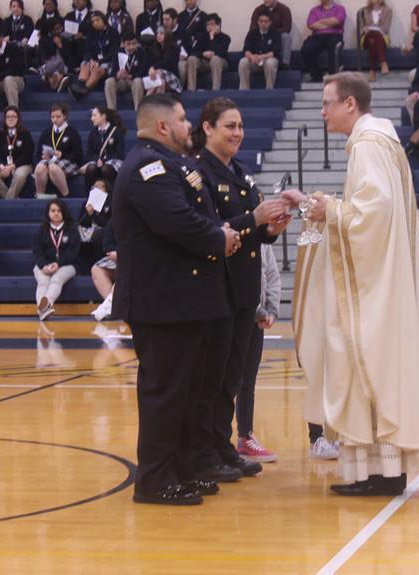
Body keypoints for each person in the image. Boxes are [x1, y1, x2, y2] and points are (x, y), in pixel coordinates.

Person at [282, 72, 419, 497]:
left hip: (373, 283)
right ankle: (383, 471)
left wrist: (326, 209)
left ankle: (380, 473)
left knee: (361, 362)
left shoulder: (369, 143)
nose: (322, 112)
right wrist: (318, 204)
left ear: (350, 105)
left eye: (327, 103)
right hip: (382, 275)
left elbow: (373, 214)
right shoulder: (381, 139)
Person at [112, 93, 241, 506]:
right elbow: (177, 221)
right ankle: (153, 479)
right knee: (165, 394)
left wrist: (220, 229)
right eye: (184, 120)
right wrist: (219, 237)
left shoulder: (173, 164)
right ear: (163, 126)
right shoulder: (147, 168)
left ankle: (182, 469)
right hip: (161, 302)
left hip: (182, 301)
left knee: (187, 393)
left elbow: (195, 215)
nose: (190, 126)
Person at [192, 97, 289, 483]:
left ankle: (224, 447)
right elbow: (208, 228)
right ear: (208, 128)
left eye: (240, 126)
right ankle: (206, 452)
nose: (237, 133)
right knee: (212, 380)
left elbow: (253, 232)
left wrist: (271, 228)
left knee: (231, 379)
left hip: (244, 293)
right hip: (217, 292)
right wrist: (255, 219)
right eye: (229, 126)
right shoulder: (199, 174)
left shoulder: (241, 173)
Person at [235, 242, 281, 463]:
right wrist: (258, 311)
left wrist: (272, 309)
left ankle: (245, 437)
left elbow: (271, 273)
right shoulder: (238, 229)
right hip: (236, 316)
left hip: (256, 321)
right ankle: (216, 441)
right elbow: (237, 277)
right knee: (228, 382)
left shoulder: (262, 239)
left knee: (247, 382)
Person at [32, 198, 80, 321]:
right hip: (44, 265)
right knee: (43, 281)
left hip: (67, 265)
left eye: (59, 210)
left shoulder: (72, 229)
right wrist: (43, 266)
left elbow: (73, 253)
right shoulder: (42, 229)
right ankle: (43, 309)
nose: (56, 213)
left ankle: (45, 305)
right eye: (53, 210)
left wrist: (58, 264)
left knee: (56, 279)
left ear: (64, 212)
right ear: (48, 213)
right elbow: (37, 252)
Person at [34, 103, 83, 198]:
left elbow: (78, 156)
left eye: (58, 116)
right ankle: (40, 196)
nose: (55, 120)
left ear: (65, 116)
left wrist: (62, 155)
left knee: (53, 167)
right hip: (49, 161)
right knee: (40, 168)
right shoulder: (46, 132)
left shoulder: (72, 132)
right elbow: (38, 154)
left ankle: (66, 195)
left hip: (68, 162)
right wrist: (43, 156)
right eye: (52, 117)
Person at [68, 10, 120, 100]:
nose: (95, 23)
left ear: (104, 20)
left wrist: (99, 62)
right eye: (93, 22)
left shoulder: (113, 33)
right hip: (94, 60)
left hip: (108, 61)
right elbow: (88, 50)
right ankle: (80, 84)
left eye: (97, 20)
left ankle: (83, 90)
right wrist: (91, 59)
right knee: (85, 64)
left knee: (97, 70)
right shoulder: (91, 33)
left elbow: (114, 53)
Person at [0, 106, 34, 199]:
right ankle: (11, 199)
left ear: (18, 118)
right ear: (4, 119)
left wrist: (13, 166)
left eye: (13, 116)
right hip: (4, 164)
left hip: (22, 164)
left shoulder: (25, 134)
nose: (10, 119)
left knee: (19, 176)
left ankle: (8, 201)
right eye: (8, 117)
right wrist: (1, 166)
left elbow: (27, 155)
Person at [301, 0, 345, 83]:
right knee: (306, 49)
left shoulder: (340, 9)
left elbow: (337, 21)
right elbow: (311, 24)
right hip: (317, 36)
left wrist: (320, 22)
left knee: (334, 46)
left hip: (334, 35)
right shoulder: (314, 10)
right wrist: (329, 23)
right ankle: (316, 76)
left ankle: (333, 77)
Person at [82, 106, 124, 191]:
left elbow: (119, 152)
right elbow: (90, 152)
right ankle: (89, 196)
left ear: (103, 116)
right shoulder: (93, 132)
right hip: (97, 161)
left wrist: (104, 161)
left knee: (106, 169)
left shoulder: (116, 131)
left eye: (94, 115)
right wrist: (97, 159)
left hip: (112, 160)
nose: (91, 118)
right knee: (91, 168)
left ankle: (111, 195)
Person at [185, 12, 229, 92]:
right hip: (205, 62)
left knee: (215, 59)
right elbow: (193, 52)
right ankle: (191, 89)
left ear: (218, 25)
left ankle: (215, 90)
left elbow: (221, 52)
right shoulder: (202, 36)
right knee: (191, 59)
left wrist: (212, 38)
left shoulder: (225, 38)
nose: (209, 27)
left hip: (220, 62)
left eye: (212, 24)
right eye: (208, 24)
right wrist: (202, 54)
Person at [104, 32, 148, 110]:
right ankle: (111, 111)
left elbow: (143, 71)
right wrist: (117, 75)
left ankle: (138, 110)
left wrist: (130, 76)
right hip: (122, 82)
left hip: (134, 81)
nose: (132, 46)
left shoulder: (142, 52)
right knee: (109, 81)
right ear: (123, 44)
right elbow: (113, 71)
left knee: (138, 81)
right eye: (128, 44)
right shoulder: (117, 52)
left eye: (134, 43)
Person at [239, 8, 280, 90]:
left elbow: (275, 51)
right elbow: (246, 49)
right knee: (243, 61)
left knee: (270, 63)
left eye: (266, 21)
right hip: (255, 61)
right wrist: (251, 57)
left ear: (270, 22)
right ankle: (244, 90)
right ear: (258, 22)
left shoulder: (275, 33)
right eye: (261, 21)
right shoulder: (252, 33)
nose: (263, 23)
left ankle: (269, 90)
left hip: (268, 60)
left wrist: (262, 57)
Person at [250, 0, 292, 68]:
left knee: (286, 37)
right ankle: (257, 61)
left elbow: (287, 28)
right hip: (263, 34)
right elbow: (252, 28)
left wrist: (272, 33)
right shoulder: (258, 10)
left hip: (278, 35)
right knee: (253, 35)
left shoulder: (284, 9)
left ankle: (284, 64)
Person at [357, 0, 392, 82]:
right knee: (372, 35)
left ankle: (372, 71)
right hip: (366, 37)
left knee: (372, 40)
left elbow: (386, 29)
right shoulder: (363, 11)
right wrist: (366, 29)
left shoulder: (388, 11)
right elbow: (361, 29)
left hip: (383, 37)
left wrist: (371, 28)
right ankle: (383, 63)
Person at [90, 222, 116, 321]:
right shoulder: (113, 221)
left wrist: (121, 253)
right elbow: (107, 247)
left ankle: (109, 305)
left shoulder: (139, 220)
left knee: (125, 269)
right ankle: (111, 306)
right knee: (96, 269)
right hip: (115, 258)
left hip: (136, 258)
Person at [79, 179, 111, 251]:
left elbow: (108, 223)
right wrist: (89, 215)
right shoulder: (86, 203)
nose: (98, 189)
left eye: (102, 186)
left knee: (98, 234)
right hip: (87, 232)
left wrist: (94, 214)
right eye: (96, 186)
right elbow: (82, 223)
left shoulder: (110, 204)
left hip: (102, 232)